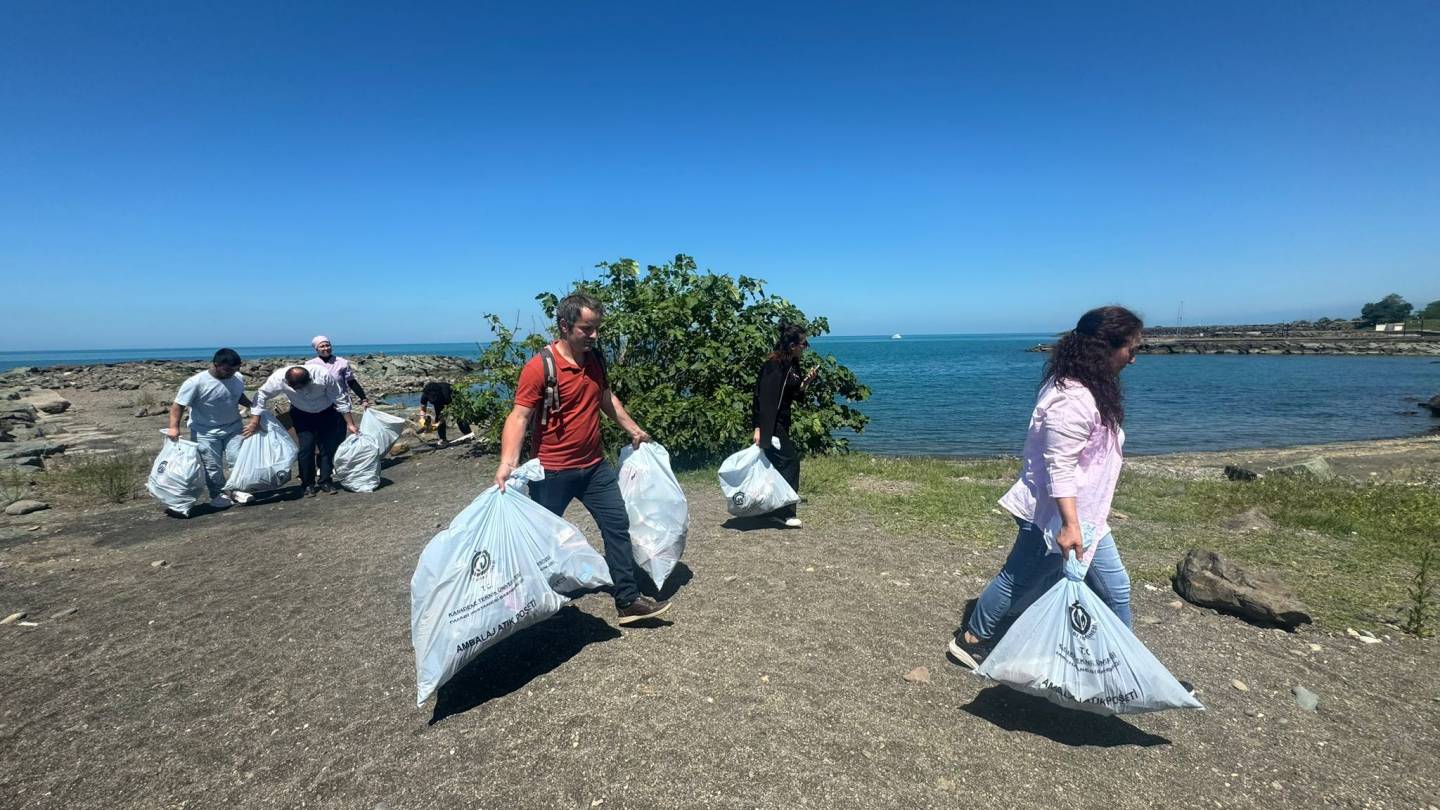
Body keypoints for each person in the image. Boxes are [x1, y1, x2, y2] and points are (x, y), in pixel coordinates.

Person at [947, 306, 1144, 670]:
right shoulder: (1072, 399)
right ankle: (972, 639)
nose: (1133, 360)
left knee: (1108, 588)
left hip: (1083, 516)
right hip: (1057, 516)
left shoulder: (1089, 388)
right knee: (1023, 579)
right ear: (1106, 347)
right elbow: (1060, 466)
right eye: (1131, 350)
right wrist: (1069, 524)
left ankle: (1123, 663)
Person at [492, 292, 671, 625]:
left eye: (597, 329)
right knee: (538, 541)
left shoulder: (595, 360)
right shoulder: (539, 367)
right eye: (586, 329)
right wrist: (508, 462)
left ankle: (628, 600)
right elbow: (519, 416)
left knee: (617, 526)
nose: (594, 336)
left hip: (594, 467)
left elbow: (605, 398)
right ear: (564, 325)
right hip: (551, 472)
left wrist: (633, 429)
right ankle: (518, 600)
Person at [166, 348, 255, 510]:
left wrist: (251, 406)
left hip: (234, 427)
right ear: (216, 365)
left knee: (238, 459)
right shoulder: (196, 382)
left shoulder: (237, 378)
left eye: (235, 370)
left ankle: (236, 490)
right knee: (212, 466)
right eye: (228, 370)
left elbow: (236, 394)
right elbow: (178, 405)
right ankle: (218, 493)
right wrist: (173, 427)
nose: (231, 373)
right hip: (205, 431)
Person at [251, 365, 357, 497]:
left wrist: (350, 424)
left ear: (308, 381)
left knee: (327, 447)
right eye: (293, 387)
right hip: (301, 413)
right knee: (306, 448)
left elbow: (339, 398)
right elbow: (262, 394)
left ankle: (326, 481)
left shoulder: (322, 375)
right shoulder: (279, 377)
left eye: (299, 387)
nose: (297, 390)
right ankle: (307, 484)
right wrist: (255, 421)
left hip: (326, 412)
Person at [751, 324, 818, 527]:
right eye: (803, 343)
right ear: (792, 345)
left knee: (774, 466)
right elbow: (764, 399)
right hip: (772, 423)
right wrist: (760, 429)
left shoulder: (793, 365)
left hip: (782, 422)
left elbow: (794, 395)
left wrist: (806, 383)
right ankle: (787, 512)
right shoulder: (774, 365)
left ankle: (767, 509)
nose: (806, 347)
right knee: (791, 461)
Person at [306, 336, 370, 409]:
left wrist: (363, 399)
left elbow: (351, 382)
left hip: (341, 401)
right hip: (319, 403)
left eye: (328, 345)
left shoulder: (342, 362)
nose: (326, 348)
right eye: (322, 346)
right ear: (316, 349)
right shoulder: (310, 365)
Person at [419, 381, 471, 447]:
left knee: (459, 417)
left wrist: (438, 424)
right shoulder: (426, 394)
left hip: (453, 399)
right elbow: (423, 409)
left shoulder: (446, 393)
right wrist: (422, 418)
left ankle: (469, 435)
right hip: (439, 403)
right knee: (438, 417)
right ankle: (443, 439)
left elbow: (449, 411)